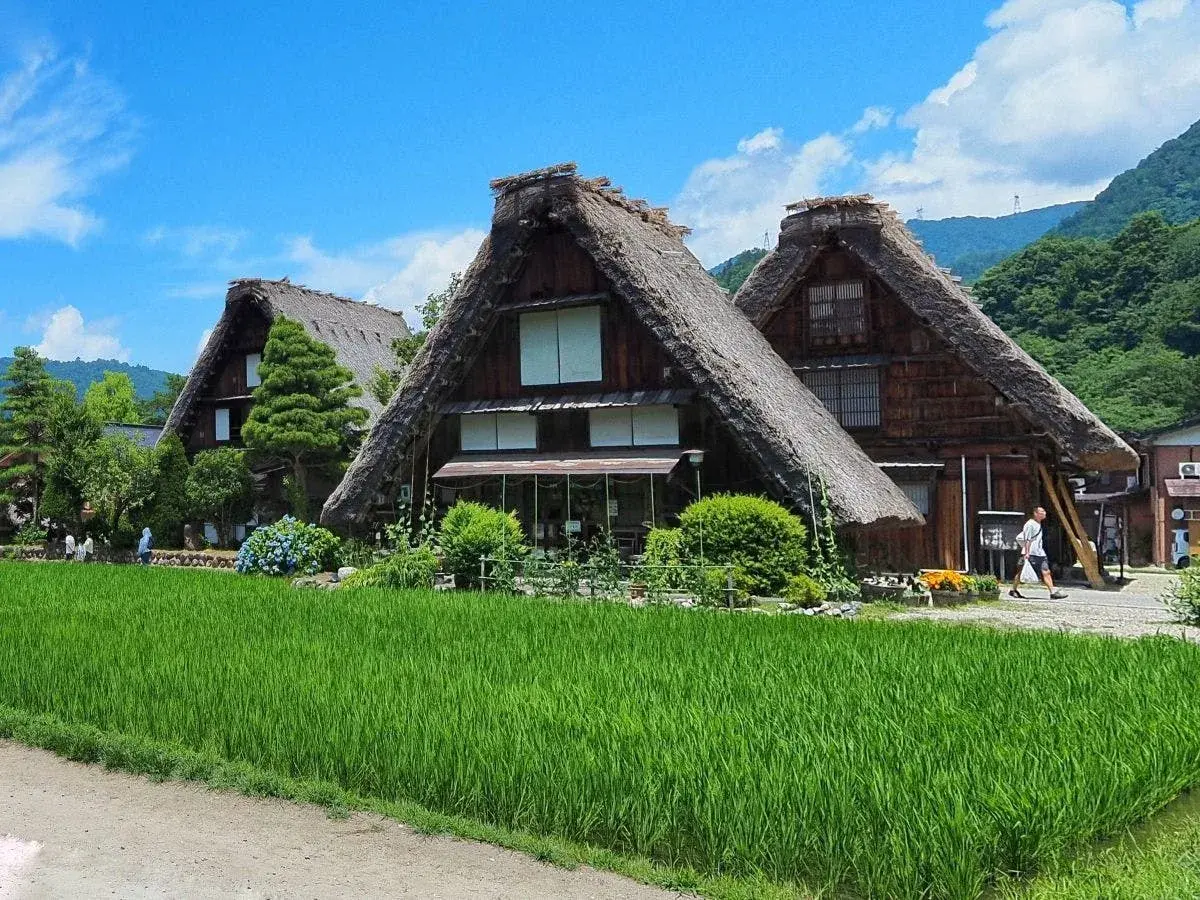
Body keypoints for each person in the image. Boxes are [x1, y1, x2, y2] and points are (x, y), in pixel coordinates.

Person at [1010, 506, 1068, 599]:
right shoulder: (1030, 524)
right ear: (1035, 514)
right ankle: (1013, 590)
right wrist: (1027, 553)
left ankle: (1052, 592)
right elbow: (1027, 539)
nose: (1044, 513)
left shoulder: (1038, 524)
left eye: (1044, 511)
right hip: (1031, 553)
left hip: (1040, 553)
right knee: (1021, 572)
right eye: (1042, 512)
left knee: (1046, 571)